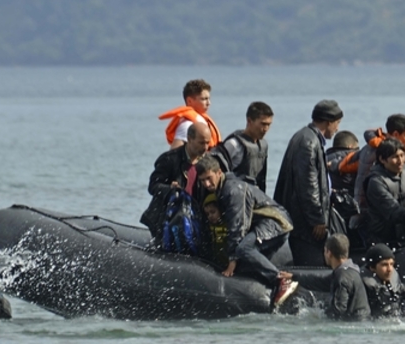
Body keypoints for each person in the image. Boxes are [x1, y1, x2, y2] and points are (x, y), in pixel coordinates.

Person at [193, 156, 297, 307]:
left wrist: (232, 261)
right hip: (264, 224)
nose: (207, 184)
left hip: (275, 222)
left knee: (244, 248)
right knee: (248, 266)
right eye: (202, 181)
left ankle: (281, 280)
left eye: (209, 178)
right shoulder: (222, 189)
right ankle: (274, 291)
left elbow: (238, 226)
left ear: (218, 172)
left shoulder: (233, 190)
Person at [275, 100, 343, 267]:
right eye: (337, 124)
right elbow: (307, 184)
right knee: (312, 266)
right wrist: (317, 219)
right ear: (328, 122)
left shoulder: (307, 137)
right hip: (305, 224)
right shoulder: (308, 142)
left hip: (303, 219)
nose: (337, 129)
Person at [140, 120, 211, 246]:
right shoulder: (170, 159)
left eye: (207, 143)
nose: (205, 148)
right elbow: (153, 186)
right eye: (201, 143)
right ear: (189, 139)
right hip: (166, 219)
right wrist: (170, 190)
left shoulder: (208, 162)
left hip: (195, 219)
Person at [360, 139, 405, 248]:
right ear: (382, 159)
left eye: (402, 155)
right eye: (395, 157)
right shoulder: (376, 182)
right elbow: (393, 211)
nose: (400, 161)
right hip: (383, 239)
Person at [352, 114, 405, 205]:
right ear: (395, 134)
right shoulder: (382, 152)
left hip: (361, 202)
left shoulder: (369, 147)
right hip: (370, 206)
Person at [215, 101, 272, 191]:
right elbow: (215, 173)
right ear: (249, 121)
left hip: (256, 197)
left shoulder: (263, 145)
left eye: (269, 124)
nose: (266, 129)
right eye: (263, 124)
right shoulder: (234, 144)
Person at [159, 78, 221, 149]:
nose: (209, 103)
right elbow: (174, 153)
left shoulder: (201, 119)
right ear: (189, 101)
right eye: (204, 99)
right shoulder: (187, 124)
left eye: (209, 99)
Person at [323, 234, 369, 321]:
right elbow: (321, 281)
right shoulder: (351, 270)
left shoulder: (342, 276)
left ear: (329, 253)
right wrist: (294, 276)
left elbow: (339, 309)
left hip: (354, 327)